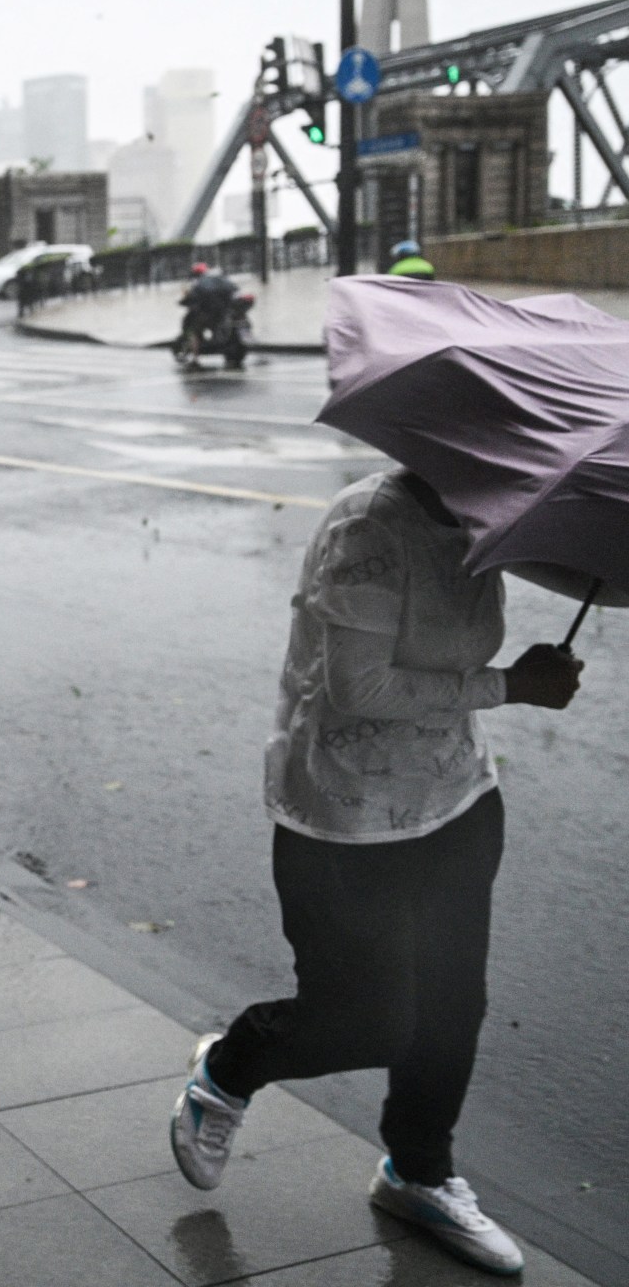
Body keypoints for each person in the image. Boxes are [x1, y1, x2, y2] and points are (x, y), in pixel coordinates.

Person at [169, 467, 582, 1276]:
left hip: (459, 799)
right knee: (370, 1018)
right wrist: (512, 685)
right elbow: (361, 688)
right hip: (343, 815)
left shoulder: (489, 512)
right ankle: (232, 1066)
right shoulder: (367, 527)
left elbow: (536, 595)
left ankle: (418, 1173)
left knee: (453, 1005)